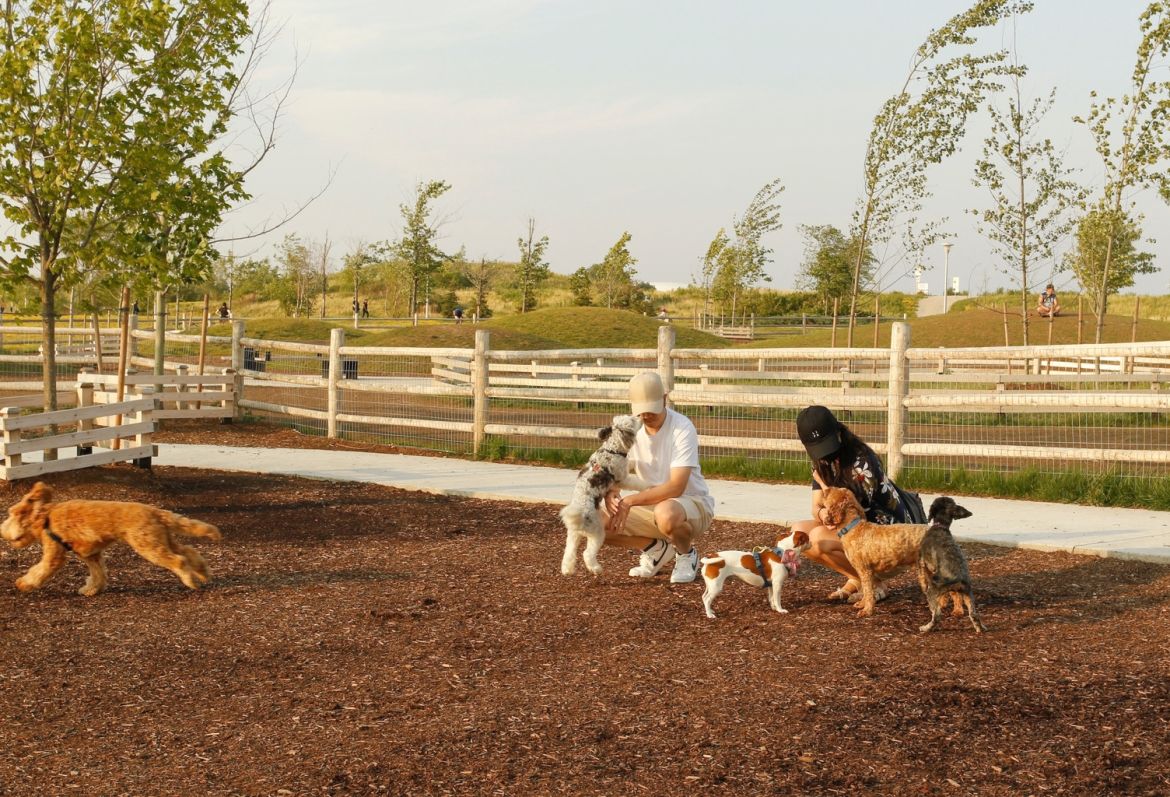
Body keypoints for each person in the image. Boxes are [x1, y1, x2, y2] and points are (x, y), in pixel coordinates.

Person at [790, 405, 920, 604]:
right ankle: (858, 578)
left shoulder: (861, 462)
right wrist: (822, 513)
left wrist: (824, 490)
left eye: (827, 445)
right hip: (857, 532)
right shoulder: (823, 461)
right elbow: (817, 507)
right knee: (798, 532)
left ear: (838, 431)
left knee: (817, 538)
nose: (824, 454)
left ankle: (874, 584)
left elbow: (850, 518)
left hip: (888, 537)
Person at [603, 371, 715, 583]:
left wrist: (630, 500)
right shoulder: (630, 430)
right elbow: (615, 471)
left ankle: (686, 554)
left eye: (651, 410)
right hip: (652, 505)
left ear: (665, 398)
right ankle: (655, 550)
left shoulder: (682, 427)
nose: (646, 416)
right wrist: (611, 492)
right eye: (641, 411)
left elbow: (676, 487)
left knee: (666, 513)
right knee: (591, 519)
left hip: (691, 503)